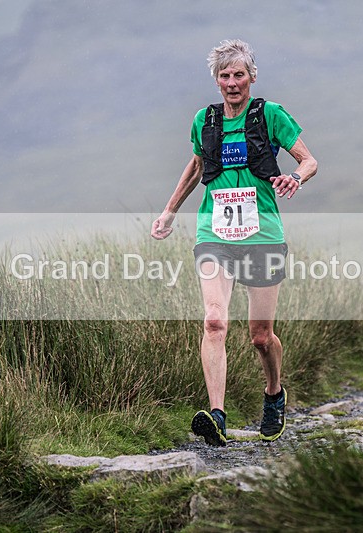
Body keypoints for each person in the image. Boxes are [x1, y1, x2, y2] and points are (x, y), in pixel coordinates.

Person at [150, 39, 317, 446]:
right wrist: (170, 211)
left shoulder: (270, 115)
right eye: (224, 76)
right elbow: (196, 166)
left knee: (260, 336)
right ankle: (218, 416)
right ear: (216, 80)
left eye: (238, 74)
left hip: (262, 236)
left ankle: (274, 394)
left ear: (252, 77)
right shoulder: (204, 122)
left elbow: (309, 160)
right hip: (215, 234)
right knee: (214, 321)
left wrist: (294, 178)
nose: (231, 82)